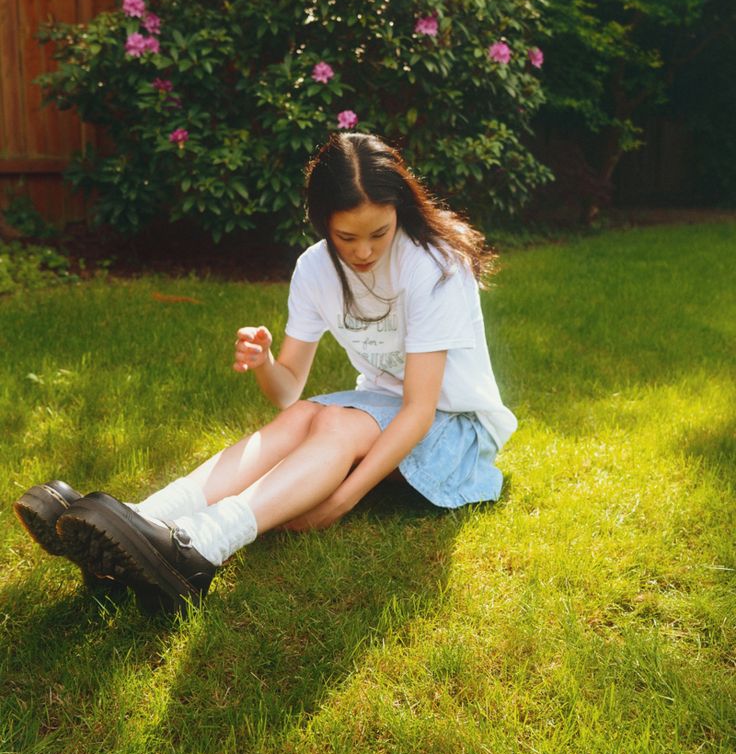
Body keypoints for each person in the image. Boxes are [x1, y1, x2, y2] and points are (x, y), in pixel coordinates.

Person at [12, 132, 517, 613]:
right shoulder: (316, 269)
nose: (363, 251)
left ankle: (202, 547)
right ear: (323, 224)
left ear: (399, 213)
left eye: (379, 233)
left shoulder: (433, 265)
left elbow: (419, 409)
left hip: (455, 428)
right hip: (382, 411)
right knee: (300, 416)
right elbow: (286, 391)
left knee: (335, 421)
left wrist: (341, 499)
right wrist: (266, 362)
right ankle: (146, 520)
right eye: (347, 237)